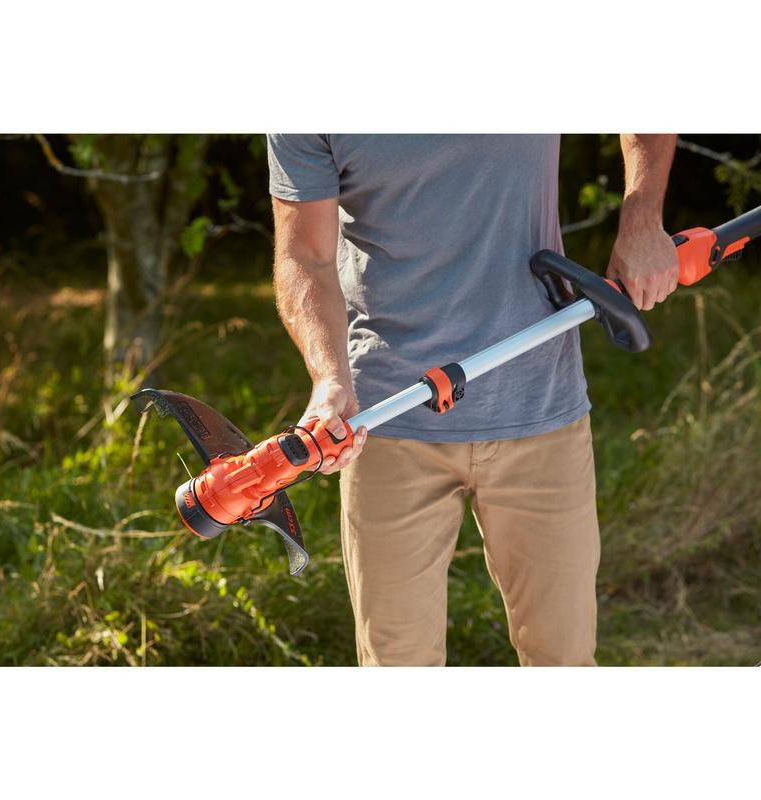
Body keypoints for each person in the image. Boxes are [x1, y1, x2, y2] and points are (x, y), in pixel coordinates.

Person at [267, 134, 678, 666]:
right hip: (387, 418)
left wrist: (642, 215)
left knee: (564, 660)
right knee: (397, 666)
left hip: (538, 401)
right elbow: (304, 255)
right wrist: (328, 376)